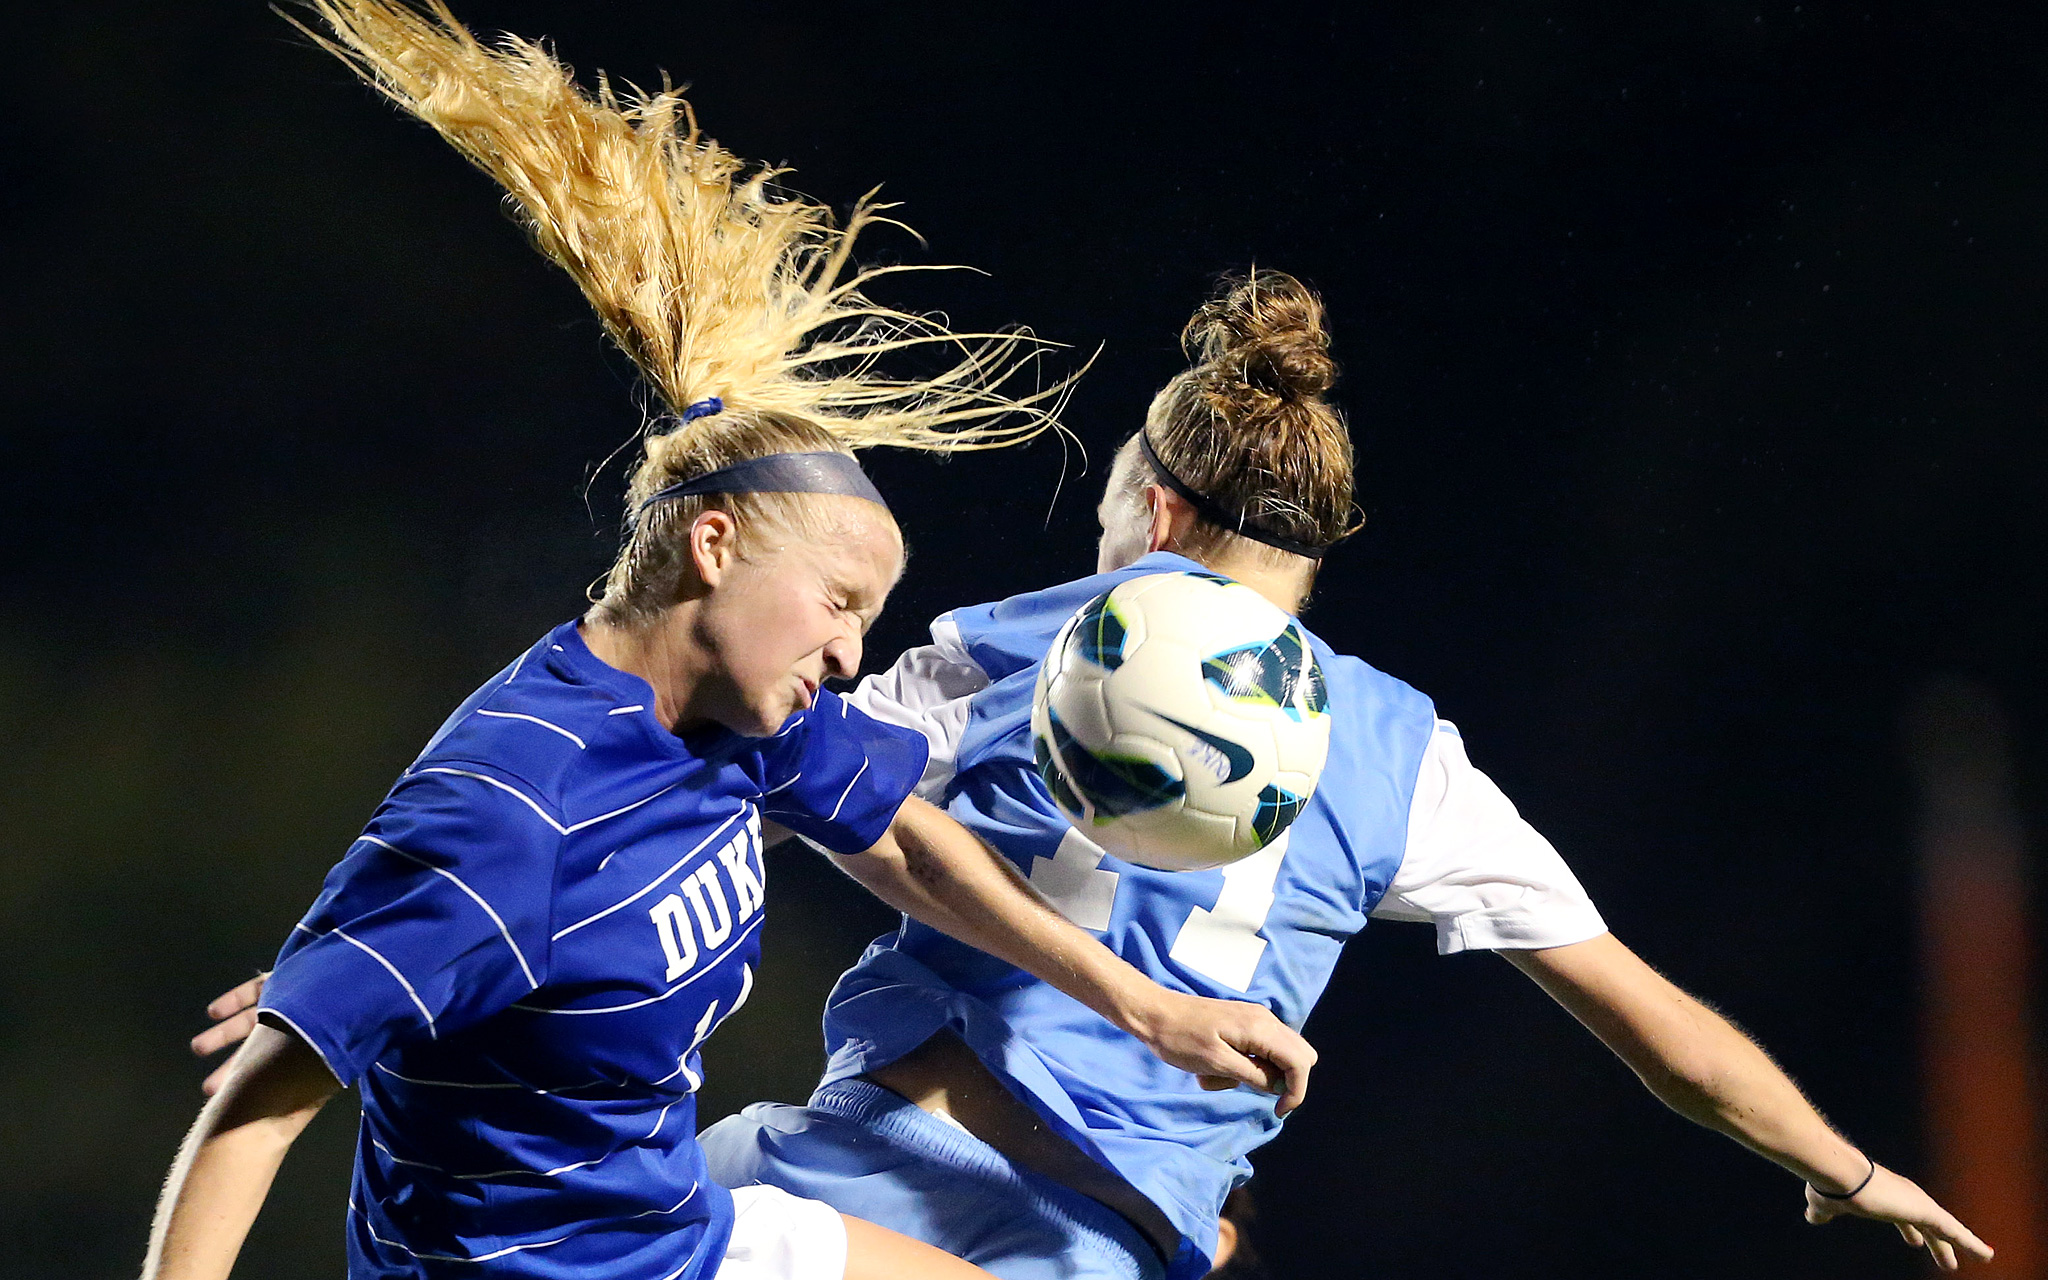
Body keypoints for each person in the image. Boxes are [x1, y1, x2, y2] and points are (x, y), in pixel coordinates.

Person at [144, 7, 1313, 1280]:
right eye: (839, 603)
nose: (853, 656)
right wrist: (352, 988)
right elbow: (250, 1116)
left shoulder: (740, 720)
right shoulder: (512, 812)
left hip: (675, 1235)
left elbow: (912, 844)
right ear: (711, 548)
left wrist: (1146, 1004)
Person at [684, 272, 1995, 1278]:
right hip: (1087, 1254)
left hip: (843, 1184)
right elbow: (1662, 1036)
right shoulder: (1406, 758)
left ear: (1158, 513)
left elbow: (734, 819)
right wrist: (1843, 1164)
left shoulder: (1014, 643)